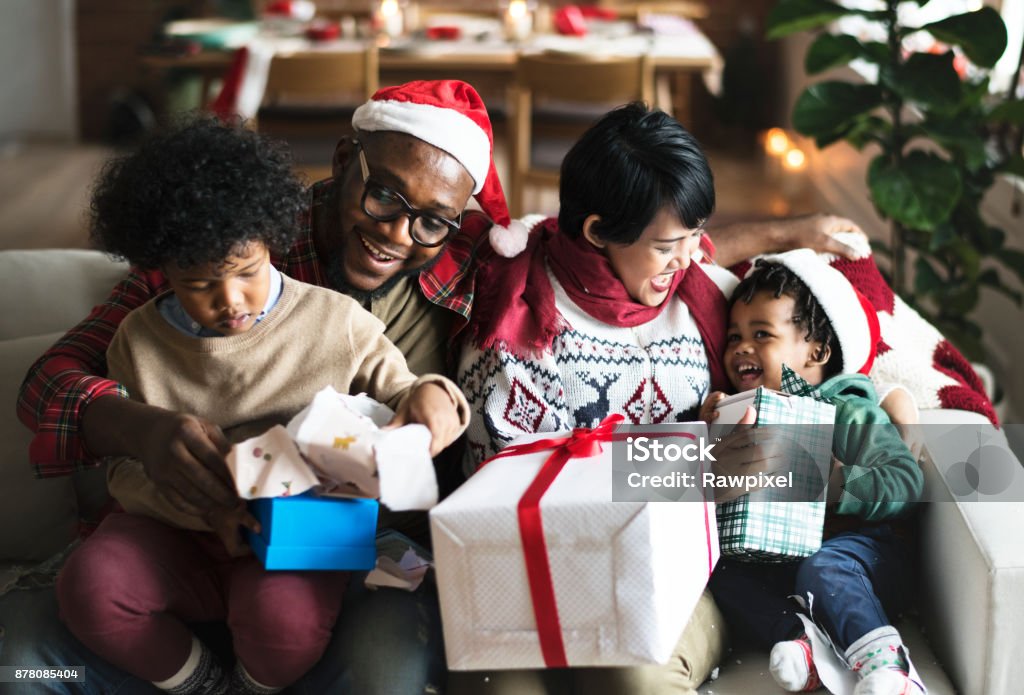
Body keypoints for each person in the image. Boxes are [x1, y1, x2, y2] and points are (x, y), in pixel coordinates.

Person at [10, 78, 868, 694]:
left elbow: (728, 297)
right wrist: (135, 428)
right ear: (345, 161)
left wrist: (799, 254)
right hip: (322, 536)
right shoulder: (234, 252)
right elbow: (54, 379)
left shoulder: (647, 284)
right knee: (36, 647)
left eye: (431, 219)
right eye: (381, 195)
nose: (398, 233)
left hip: (403, 545)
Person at [53, 117, 469, 695]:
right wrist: (200, 505)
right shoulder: (138, 341)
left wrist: (435, 397)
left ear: (274, 239)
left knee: (285, 626)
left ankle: (253, 685)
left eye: (247, 273)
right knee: (90, 587)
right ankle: (202, 683)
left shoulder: (337, 320)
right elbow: (123, 470)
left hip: (297, 531)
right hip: (174, 534)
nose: (229, 302)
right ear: (160, 268)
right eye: (198, 285)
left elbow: (404, 387)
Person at [455, 102, 768, 694]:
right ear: (598, 231)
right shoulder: (514, 319)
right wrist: (690, 467)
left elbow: (813, 358)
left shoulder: (711, 300)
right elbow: (503, 488)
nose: (691, 257)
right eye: (668, 244)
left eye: (698, 234)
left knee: (634, 678)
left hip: (674, 572)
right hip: (529, 575)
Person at [701, 251, 925, 695]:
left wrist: (832, 480)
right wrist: (712, 436)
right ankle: (800, 641)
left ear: (817, 352)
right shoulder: (739, 413)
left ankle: (890, 671)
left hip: (863, 557)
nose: (740, 347)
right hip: (781, 564)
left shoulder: (847, 412)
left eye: (761, 334)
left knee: (826, 566)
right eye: (733, 337)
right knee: (720, 572)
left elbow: (906, 482)